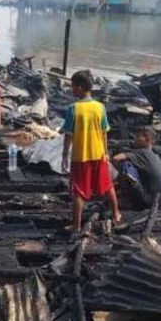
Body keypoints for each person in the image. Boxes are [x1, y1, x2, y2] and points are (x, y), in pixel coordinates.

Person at [61, 70, 122, 233]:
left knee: (78, 192)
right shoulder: (100, 108)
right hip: (99, 153)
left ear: (80, 88)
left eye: (73, 86)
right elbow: (104, 132)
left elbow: (68, 135)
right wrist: (106, 152)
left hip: (81, 156)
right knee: (107, 184)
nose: (72, 90)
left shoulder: (73, 109)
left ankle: (77, 226)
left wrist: (65, 155)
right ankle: (116, 213)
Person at [112, 126, 161, 210]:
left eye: (138, 136)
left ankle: (126, 198)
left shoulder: (142, 152)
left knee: (125, 165)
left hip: (149, 201)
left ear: (147, 139)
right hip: (160, 201)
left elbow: (116, 158)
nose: (135, 138)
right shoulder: (155, 155)